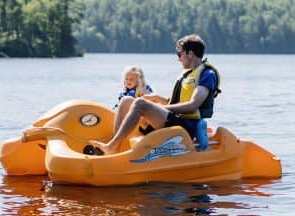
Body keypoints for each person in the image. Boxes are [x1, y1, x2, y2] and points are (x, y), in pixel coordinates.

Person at [90, 34, 220, 155]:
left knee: (140, 103)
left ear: (190, 54)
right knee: (126, 100)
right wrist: (157, 99)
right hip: (175, 118)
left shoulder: (207, 75)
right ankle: (115, 146)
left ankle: (112, 146)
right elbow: (178, 101)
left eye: (180, 54)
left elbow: (193, 105)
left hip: (187, 125)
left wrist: (160, 108)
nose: (178, 58)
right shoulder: (188, 74)